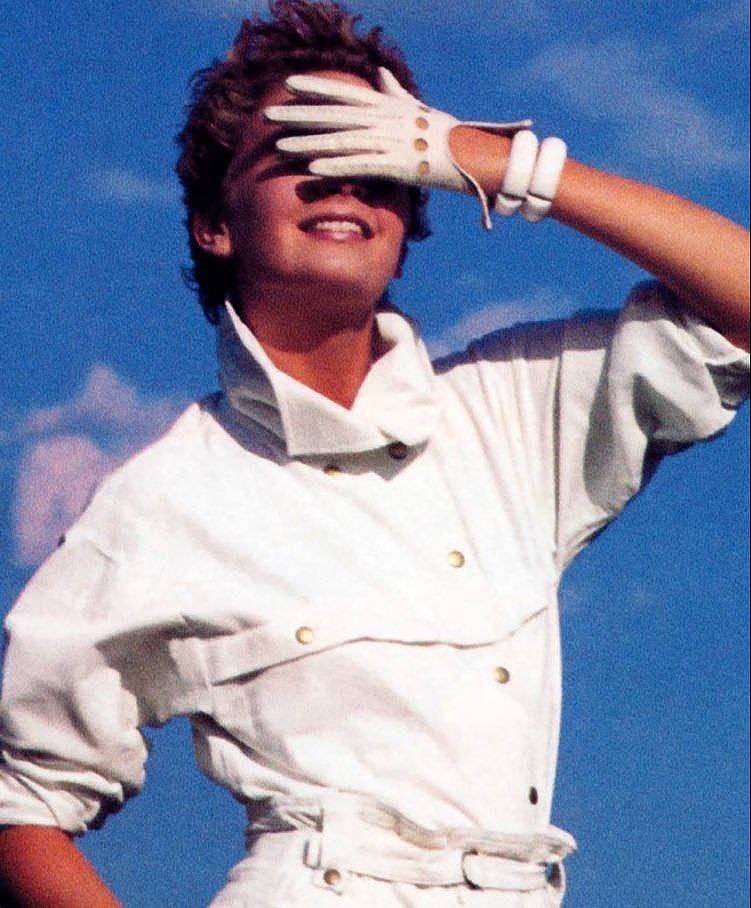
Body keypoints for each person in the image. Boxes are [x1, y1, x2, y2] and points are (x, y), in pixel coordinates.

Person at [0, 1, 748, 905]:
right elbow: (19, 806)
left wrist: (490, 161)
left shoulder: (512, 412)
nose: (342, 181)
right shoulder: (162, 498)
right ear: (214, 224)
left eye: (373, 156)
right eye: (297, 153)